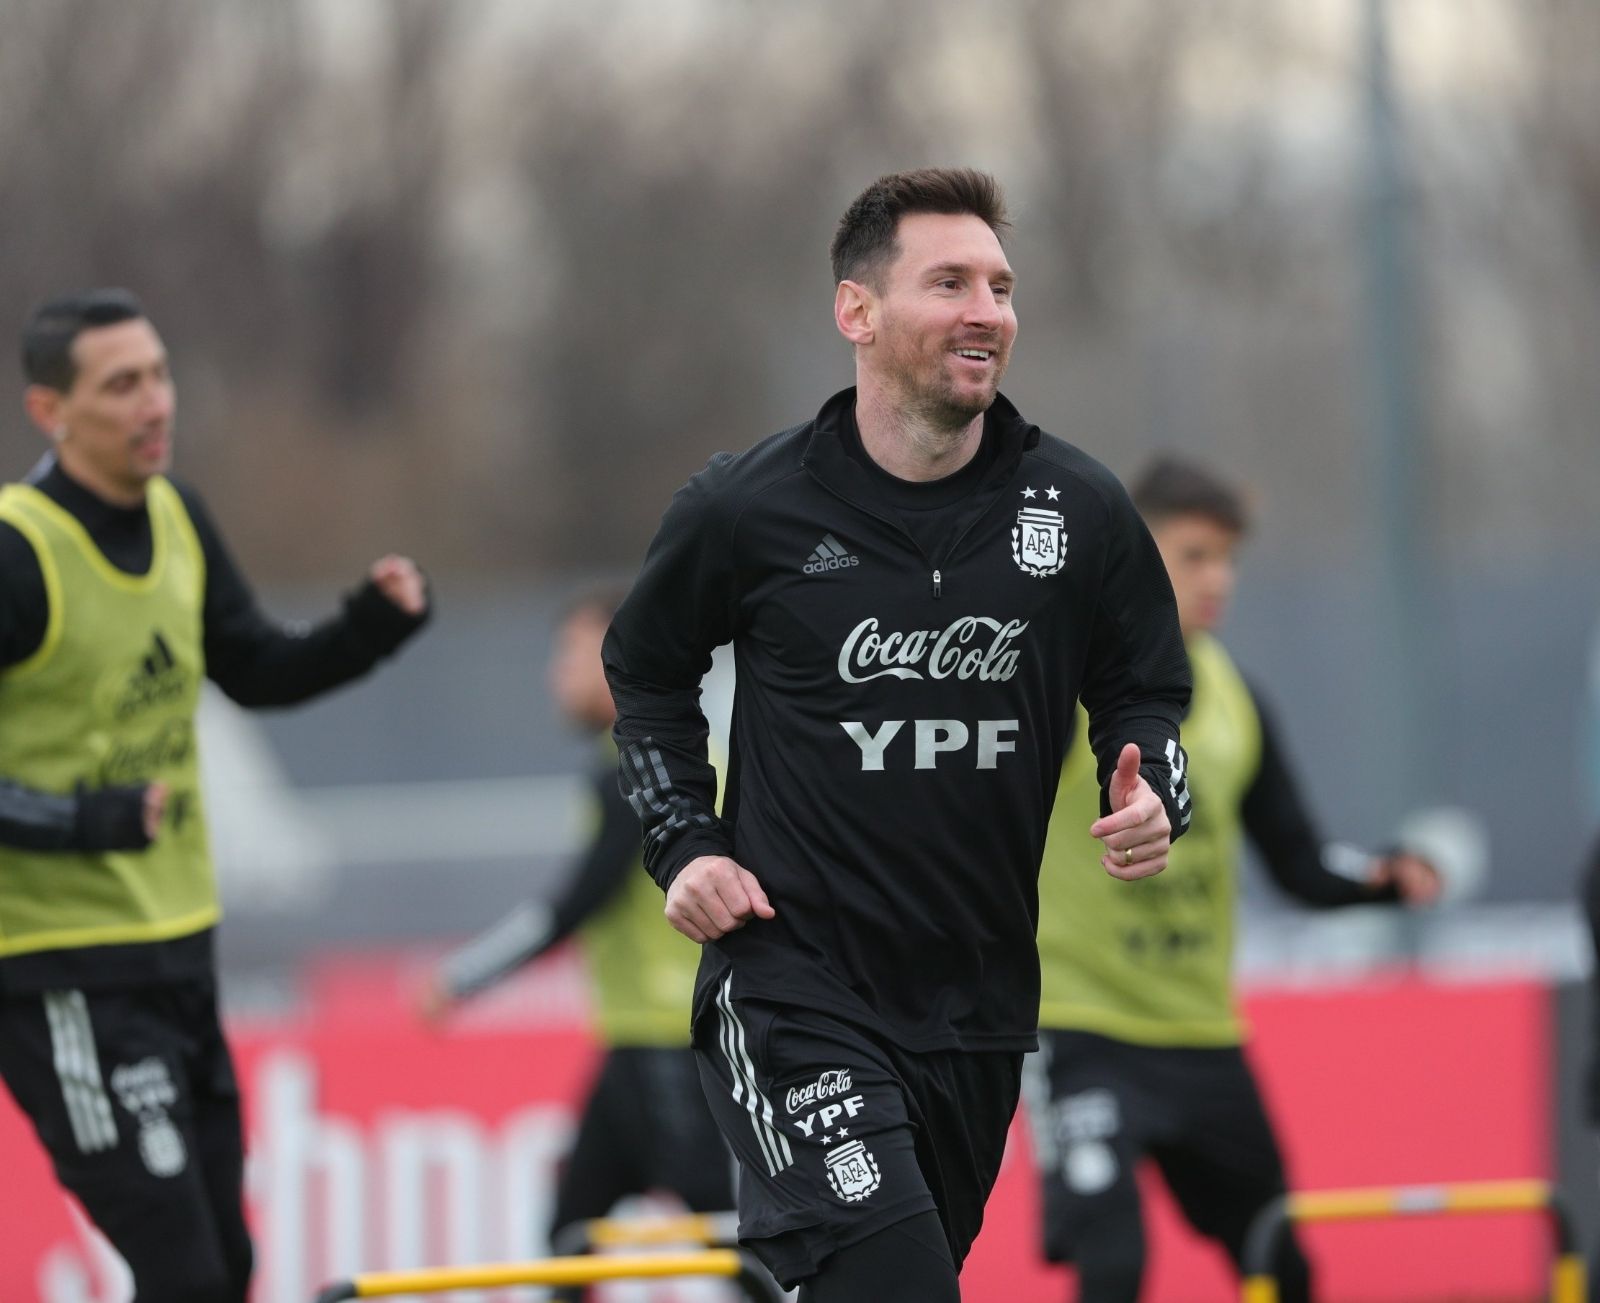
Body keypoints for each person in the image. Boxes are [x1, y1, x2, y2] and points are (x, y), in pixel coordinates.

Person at [600, 168, 1194, 1303]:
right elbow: (645, 668)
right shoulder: (746, 507)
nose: (987, 311)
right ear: (857, 311)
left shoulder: (1078, 510)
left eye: (1001, 287)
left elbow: (1146, 693)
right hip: (793, 988)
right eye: (950, 282)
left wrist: (1153, 787)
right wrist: (685, 840)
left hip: (977, 1010)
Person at [0, 289, 429, 1302]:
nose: (156, 403)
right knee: (184, 1273)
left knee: (225, 1267)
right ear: (50, 411)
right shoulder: (18, 552)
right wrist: (81, 822)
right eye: (121, 384)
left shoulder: (178, 516)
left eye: (159, 375)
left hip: (181, 950)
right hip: (63, 970)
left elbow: (255, 668)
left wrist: (369, 626)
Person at [1028, 455, 1447, 1303]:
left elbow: (1298, 861)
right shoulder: (1061, 681)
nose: (1219, 578)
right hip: (1079, 1032)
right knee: (1113, 1263)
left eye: (1228, 557)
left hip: (1202, 1034)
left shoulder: (1234, 696)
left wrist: (1379, 877)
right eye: (1194, 555)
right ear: (1132, 555)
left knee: (1282, 1264)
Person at [418, 588, 733, 1299]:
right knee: (571, 1233)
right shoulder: (659, 754)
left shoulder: (646, 765)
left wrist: (462, 977)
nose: (555, 674)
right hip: (637, 1041)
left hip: (674, 1040)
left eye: (571, 655)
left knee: (732, 1236)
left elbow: (574, 903)